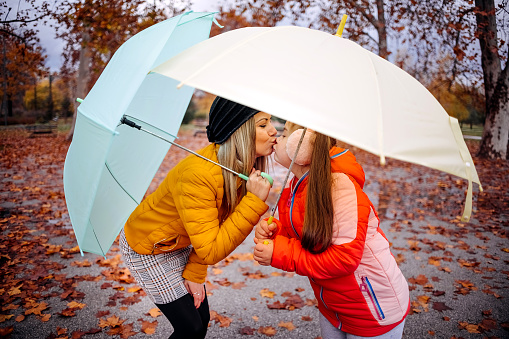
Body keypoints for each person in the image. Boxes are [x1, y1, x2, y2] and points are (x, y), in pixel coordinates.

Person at [120, 96, 277, 339]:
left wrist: (194, 272)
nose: (274, 130)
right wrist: (253, 202)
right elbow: (211, 249)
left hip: (183, 239)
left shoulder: (240, 169)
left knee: (201, 321)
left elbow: (216, 227)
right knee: (190, 328)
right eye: (263, 124)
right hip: (148, 247)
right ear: (238, 131)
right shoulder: (198, 175)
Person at [253, 122, 410, 339]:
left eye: (284, 134)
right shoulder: (296, 185)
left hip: (372, 308)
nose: (276, 138)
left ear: (303, 145)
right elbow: (305, 236)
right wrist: (276, 233)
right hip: (334, 307)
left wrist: (280, 252)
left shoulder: (340, 187)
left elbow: (344, 259)